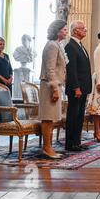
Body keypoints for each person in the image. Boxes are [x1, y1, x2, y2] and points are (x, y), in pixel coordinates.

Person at [38, 20, 68, 159]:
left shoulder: (57, 45)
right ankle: (47, 148)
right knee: (48, 118)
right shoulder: (51, 45)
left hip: (54, 85)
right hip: (49, 86)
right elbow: (50, 69)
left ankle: (48, 147)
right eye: (64, 29)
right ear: (57, 31)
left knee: (51, 118)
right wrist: (54, 89)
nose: (66, 31)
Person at [65, 21, 92, 151]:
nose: (85, 30)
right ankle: (70, 143)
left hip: (83, 87)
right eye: (83, 28)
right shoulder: (70, 46)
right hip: (76, 88)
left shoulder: (80, 45)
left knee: (79, 116)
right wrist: (76, 87)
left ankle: (77, 142)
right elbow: (71, 70)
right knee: (73, 116)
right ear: (75, 31)